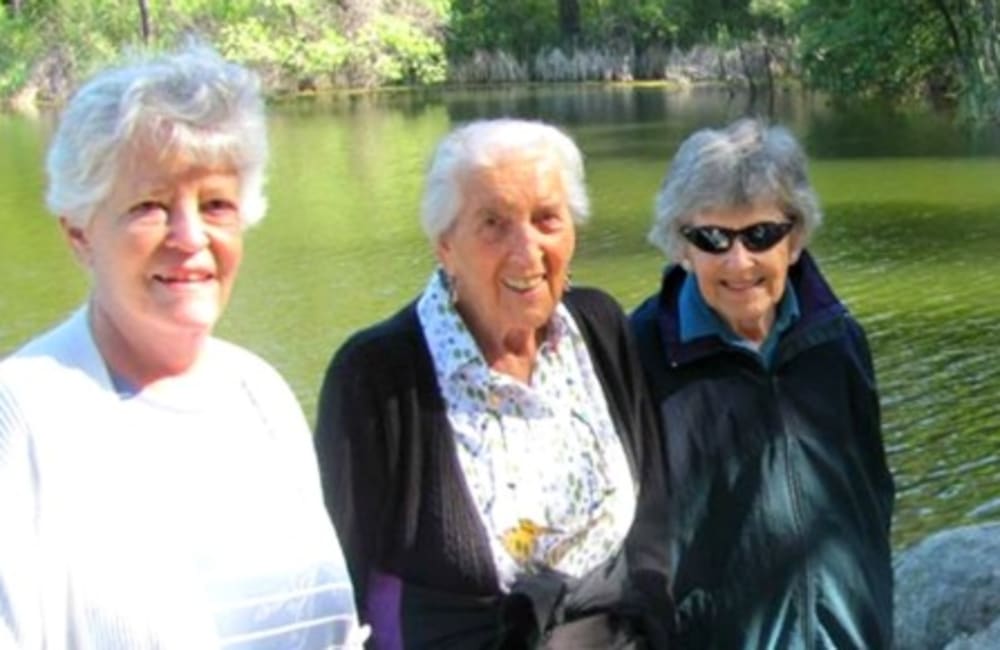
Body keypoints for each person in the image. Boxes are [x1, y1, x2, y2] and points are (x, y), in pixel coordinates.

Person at [0, 45, 366, 648]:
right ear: (79, 234)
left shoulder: (260, 392)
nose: (190, 237)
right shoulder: (26, 412)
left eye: (216, 204)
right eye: (150, 207)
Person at [314, 118, 672, 649]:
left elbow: (654, 520)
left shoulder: (599, 327)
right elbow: (339, 583)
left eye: (546, 219)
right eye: (493, 223)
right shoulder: (375, 376)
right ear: (444, 244)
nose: (527, 252)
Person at [630, 118, 895, 649]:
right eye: (712, 238)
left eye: (760, 235)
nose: (739, 261)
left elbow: (873, 493)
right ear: (681, 244)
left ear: (794, 238)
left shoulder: (836, 340)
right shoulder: (641, 355)